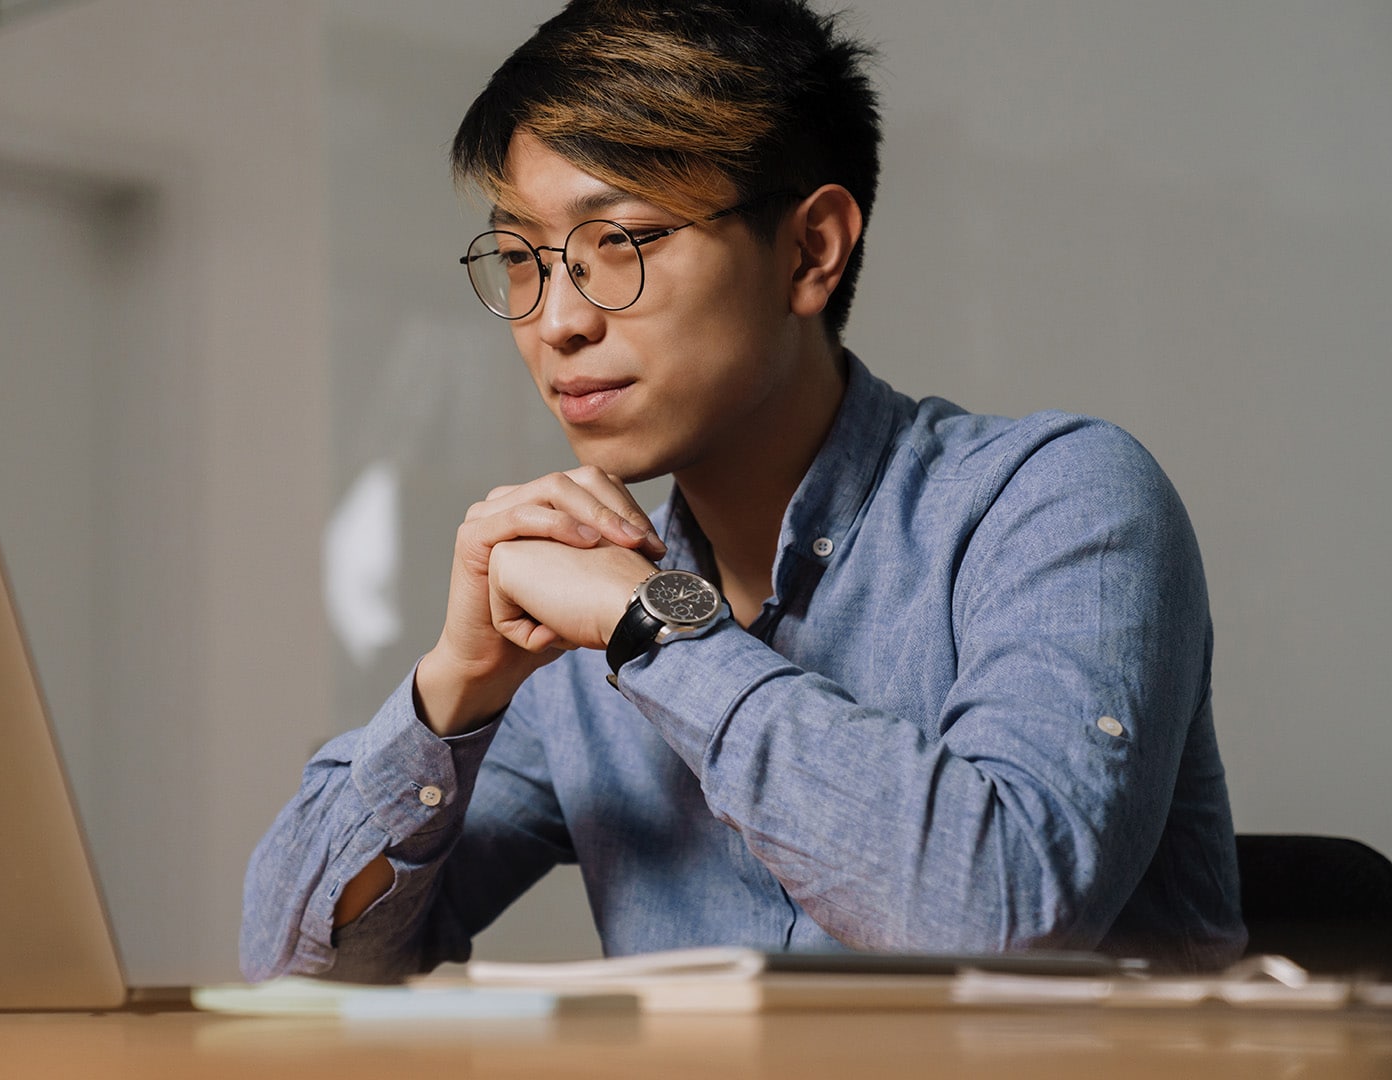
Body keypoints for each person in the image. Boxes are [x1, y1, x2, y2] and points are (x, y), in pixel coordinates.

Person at [242, 0, 1245, 981]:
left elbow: (1001, 914)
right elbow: (293, 964)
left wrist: (655, 634)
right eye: (520, 260)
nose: (556, 322)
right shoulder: (577, 620)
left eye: (619, 245)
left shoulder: (1058, 501)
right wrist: (455, 685)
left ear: (811, 250)